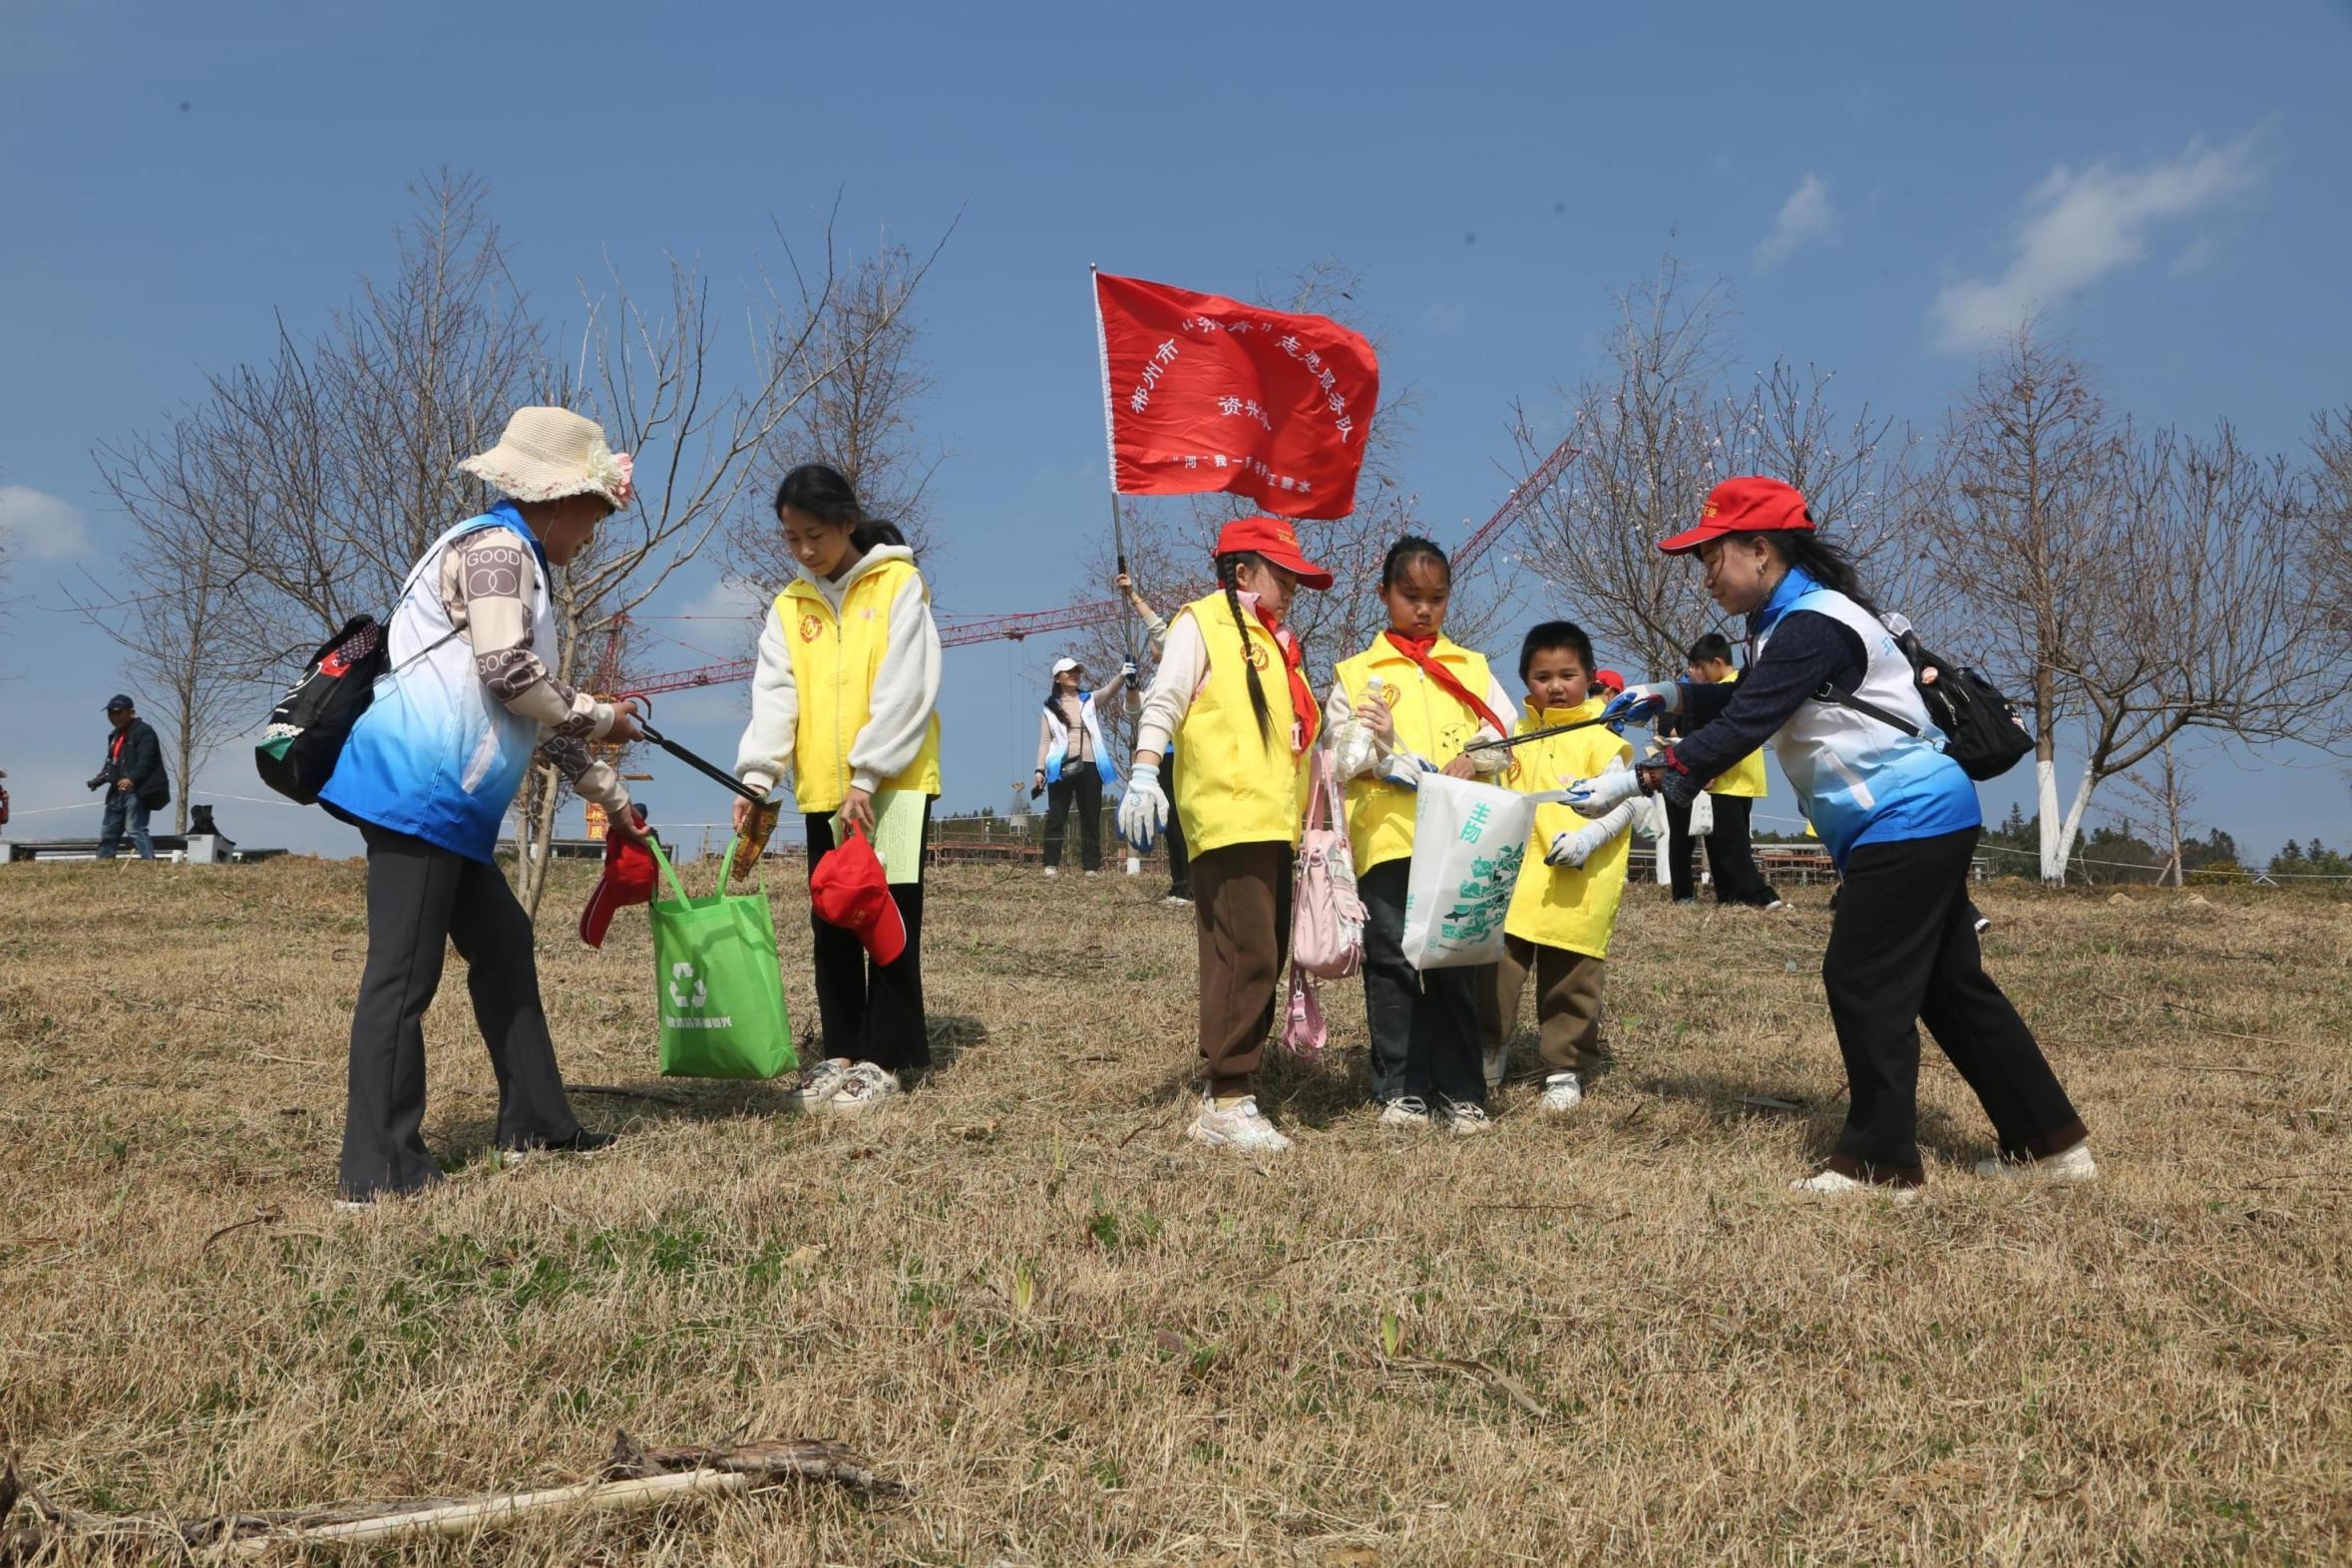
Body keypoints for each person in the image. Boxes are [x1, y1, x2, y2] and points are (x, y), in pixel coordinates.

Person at [1572, 475, 2095, 1195]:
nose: (1706, 577)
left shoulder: (1814, 623)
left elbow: (1750, 719)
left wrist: (1637, 779)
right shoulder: (1793, 623)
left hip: (1907, 819)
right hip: (1918, 817)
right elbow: (1758, 694)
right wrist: (1672, 694)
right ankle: (2051, 1145)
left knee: (1863, 980)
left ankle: (1881, 1165)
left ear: (1761, 550)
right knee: (1950, 987)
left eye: (1713, 557)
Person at [318, 407, 645, 1206]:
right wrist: (604, 716)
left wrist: (611, 796)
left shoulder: (507, 552)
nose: (594, 534)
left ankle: (537, 1124)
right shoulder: (499, 551)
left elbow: (529, 712)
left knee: (503, 944)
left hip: (450, 803)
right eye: (595, 515)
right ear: (560, 499)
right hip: (421, 791)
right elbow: (511, 674)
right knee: (403, 975)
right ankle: (378, 1170)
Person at [734, 462, 944, 1114]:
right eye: (792, 538)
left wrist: (869, 773)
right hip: (823, 788)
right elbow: (776, 695)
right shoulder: (789, 607)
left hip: (895, 785)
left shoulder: (899, 585)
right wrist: (758, 776)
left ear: (847, 525)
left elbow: (908, 685)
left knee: (888, 915)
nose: (804, 550)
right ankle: (844, 1049)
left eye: (815, 535)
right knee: (832, 917)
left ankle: (889, 1057)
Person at [1118, 517, 1331, 1153]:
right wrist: (1144, 771)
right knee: (1246, 954)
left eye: (1296, 578)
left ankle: (1236, 1085)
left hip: (1274, 823)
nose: (1291, 588)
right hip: (1229, 816)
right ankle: (1228, 1097)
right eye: (1281, 575)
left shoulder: (1279, 644)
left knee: (1262, 952)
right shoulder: (1203, 622)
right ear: (1242, 572)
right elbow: (1166, 698)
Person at [1327, 537, 1516, 1133]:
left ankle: (1462, 1090)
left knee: (1457, 961)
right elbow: (1340, 751)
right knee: (1392, 959)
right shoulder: (1358, 673)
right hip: (1389, 836)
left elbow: (1506, 735)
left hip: (1461, 836)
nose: (1425, 609)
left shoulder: (1472, 667)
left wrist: (1474, 758)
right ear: (1384, 594)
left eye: (1437, 597)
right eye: (1411, 596)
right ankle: (1401, 1087)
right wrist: (1386, 758)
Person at [1478, 621, 1637, 1111]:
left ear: (1590, 676)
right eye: (1542, 676)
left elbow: (1629, 803)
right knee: (1495, 972)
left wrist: (1590, 837)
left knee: (1572, 978)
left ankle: (1564, 1068)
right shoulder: (1514, 736)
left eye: (1568, 675)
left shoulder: (1601, 738)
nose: (1556, 686)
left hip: (1576, 880)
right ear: (1526, 680)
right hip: (1515, 879)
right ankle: (1488, 1051)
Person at [1682, 633, 1784, 910]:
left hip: (1729, 778)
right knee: (1720, 842)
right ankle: (1729, 896)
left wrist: (1710, 768)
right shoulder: (1744, 685)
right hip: (1741, 777)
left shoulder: (1728, 690)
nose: (1699, 673)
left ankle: (1761, 894)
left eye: (1701, 667)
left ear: (1717, 663)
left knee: (1732, 844)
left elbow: (1723, 736)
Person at [1118, 572, 1191, 905]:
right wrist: (1132, 688)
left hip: (1184, 754)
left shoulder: (1183, 667)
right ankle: (1181, 884)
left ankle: (1191, 885)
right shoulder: (1157, 683)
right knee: (1172, 822)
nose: (1153, 645)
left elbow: (1159, 629)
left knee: (1184, 820)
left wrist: (1133, 597)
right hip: (1163, 756)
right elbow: (1135, 713)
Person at [1032, 655, 1134, 878]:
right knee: (1056, 815)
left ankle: (1090, 866)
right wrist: (1039, 770)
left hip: (1090, 764)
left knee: (1090, 815)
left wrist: (1121, 676)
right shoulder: (1049, 707)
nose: (1075, 675)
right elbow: (1045, 741)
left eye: (1077, 671)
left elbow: (1108, 692)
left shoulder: (1088, 699)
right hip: (1059, 766)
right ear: (1057, 678)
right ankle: (1051, 864)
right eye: (1069, 672)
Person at [89, 694, 168, 860]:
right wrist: (100, 778)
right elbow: (112, 762)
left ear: (131, 712)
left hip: (137, 790)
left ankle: (149, 861)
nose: (114, 716)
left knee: (135, 828)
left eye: (118, 712)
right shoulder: (115, 736)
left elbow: (147, 760)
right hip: (117, 791)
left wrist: (132, 778)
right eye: (110, 713)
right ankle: (104, 863)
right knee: (108, 830)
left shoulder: (143, 731)